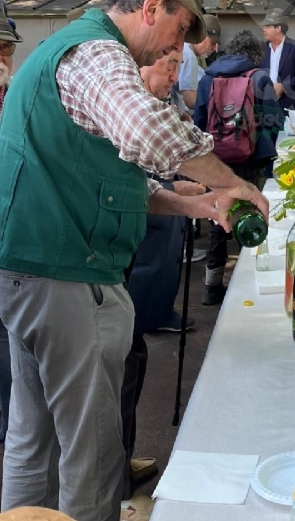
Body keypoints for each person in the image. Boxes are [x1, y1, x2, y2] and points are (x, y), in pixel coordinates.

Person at [0, 0, 269, 521]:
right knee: (91, 455)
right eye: (179, 30)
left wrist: (200, 202)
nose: (177, 46)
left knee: (33, 435)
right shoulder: (98, 52)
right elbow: (147, 128)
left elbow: (104, 180)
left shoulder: (68, 49)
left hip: (25, 273)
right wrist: (233, 183)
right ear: (150, 7)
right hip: (67, 280)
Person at [120, 49, 205, 519]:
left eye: (177, 66)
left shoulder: (162, 100)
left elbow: (155, 173)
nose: (174, 75)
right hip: (122, 254)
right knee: (121, 363)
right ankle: (113, 482)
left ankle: (121, 461)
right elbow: (136, 175)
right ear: (139, 64)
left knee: (134, 354)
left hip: (152, 238)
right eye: (166, 65)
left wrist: (181, 189)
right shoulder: (127, 103)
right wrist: (181, 187)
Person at [195, 28, 283, 305]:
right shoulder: (259, 78)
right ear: (256, 55)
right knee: (255, 217)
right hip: (252, 160)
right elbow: (274, 121)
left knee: (219, 219)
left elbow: (198, 120)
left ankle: (212, 285)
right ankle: (254, 283)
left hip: (216, 160)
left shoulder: (208, 77)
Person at [0, 0, 19, 446]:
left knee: (4, 344)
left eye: (5, 49)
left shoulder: (16, 100)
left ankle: (13, 423)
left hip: (6, 247)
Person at [260, 9, 295, 111]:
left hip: (290, 105)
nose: (263, 29)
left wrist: (283, 86)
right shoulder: (261, 48)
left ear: (278, 28)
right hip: (265, 104)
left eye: (267, 26)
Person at [176, 13, 220, 111]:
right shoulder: (189, 56)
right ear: (202, 35)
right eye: (212, 43)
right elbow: (189, 98)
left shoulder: (185, 50)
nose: (214, 49)